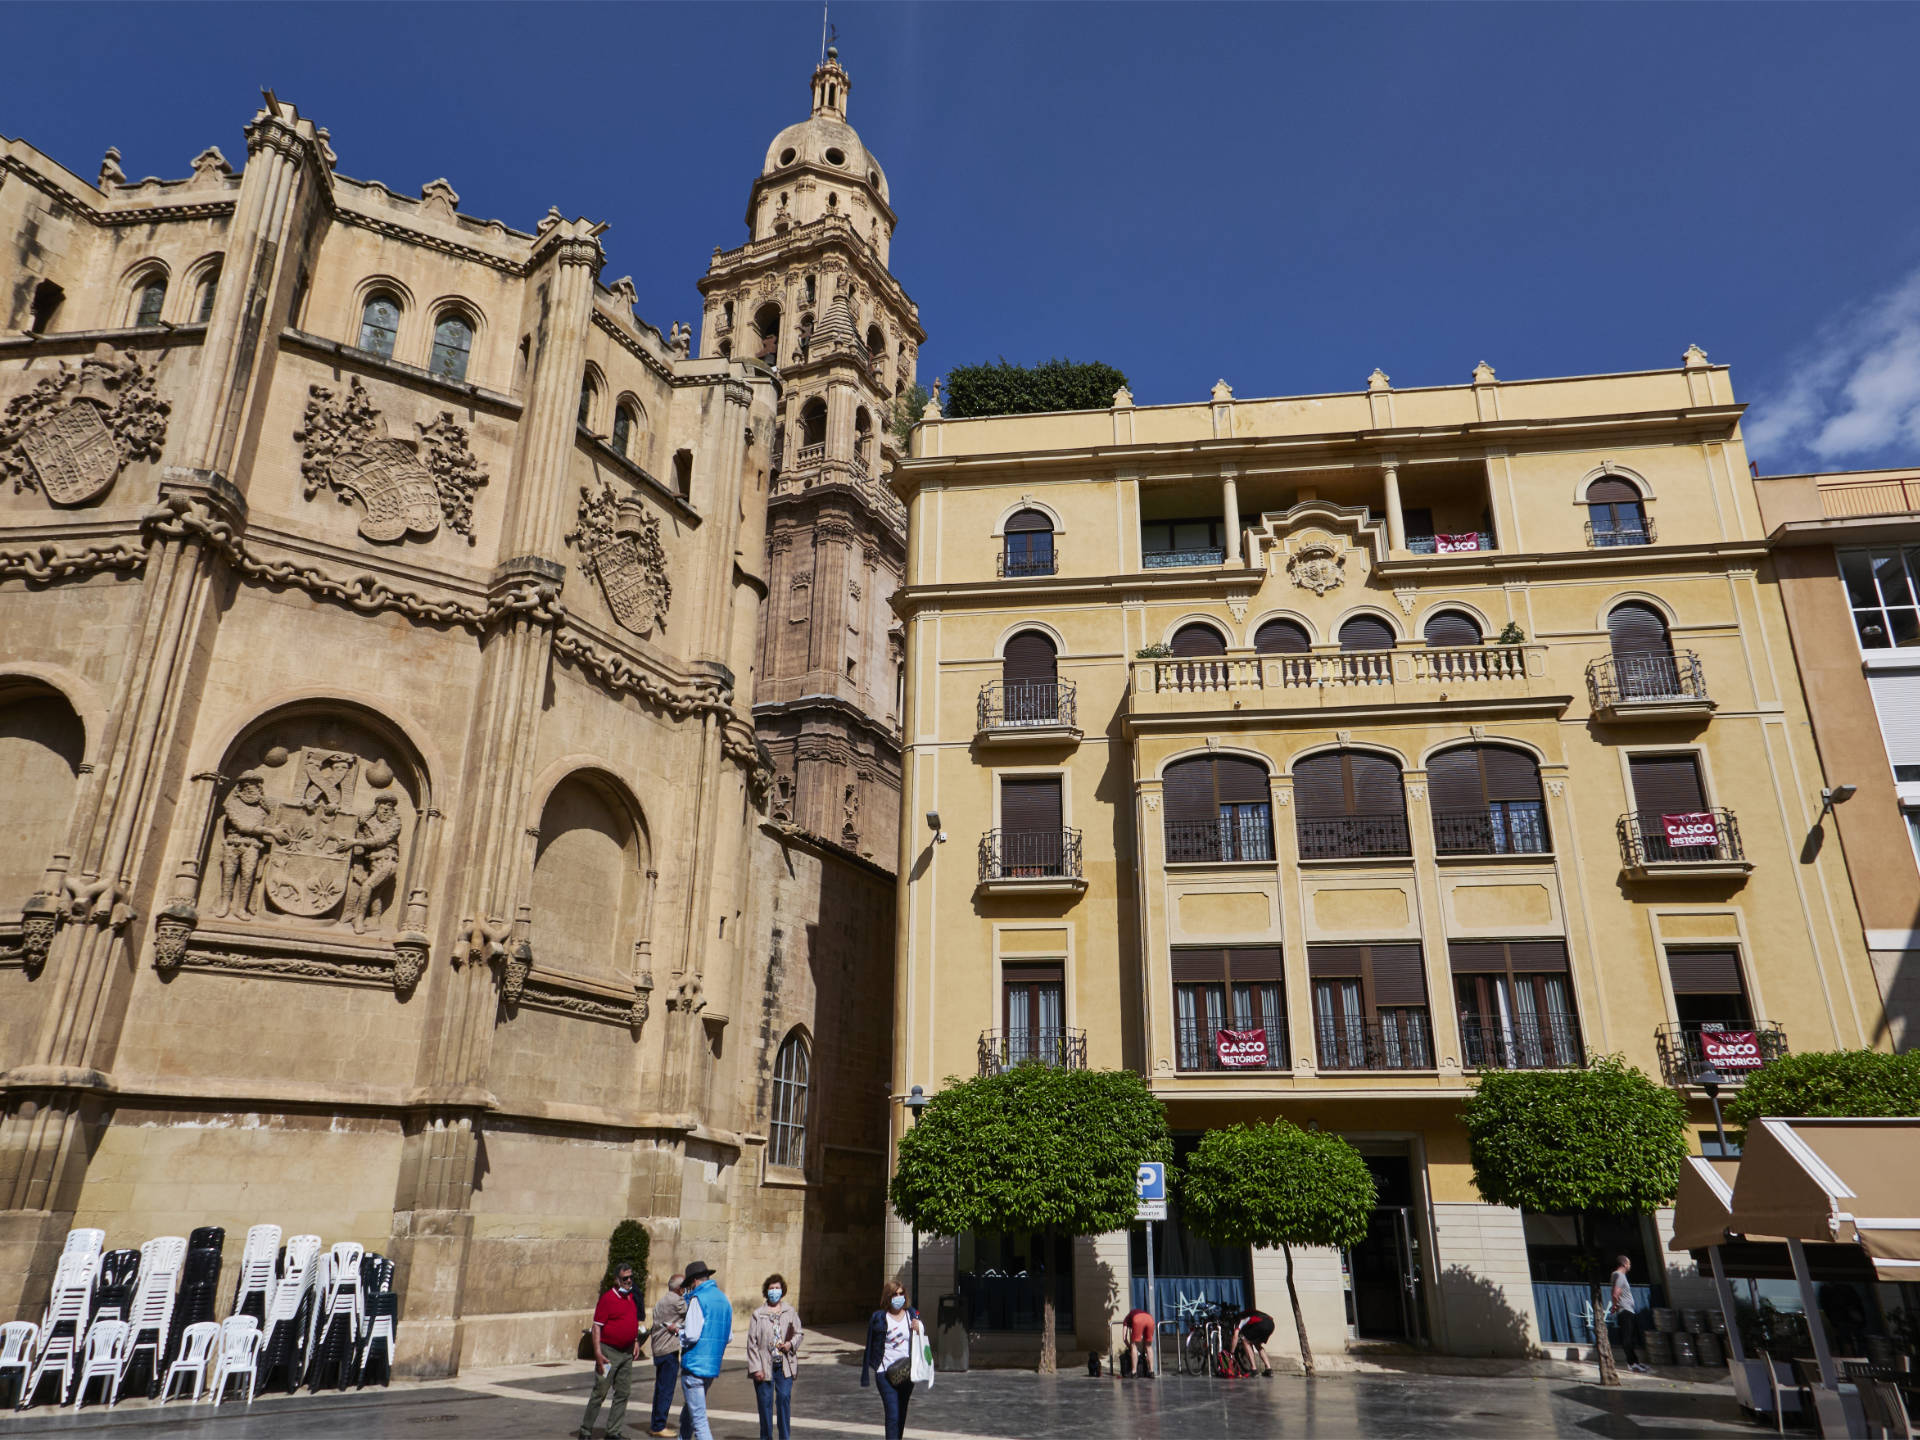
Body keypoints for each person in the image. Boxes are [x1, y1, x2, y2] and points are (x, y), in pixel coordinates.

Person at [577, 1262, 641, 1440]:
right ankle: (585, 1430)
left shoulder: (630, 1297)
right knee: (600, 1392)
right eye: (625, 1278)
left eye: (630, 1277)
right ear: (616, 1280)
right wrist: (597, 1353)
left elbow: (632, 1321)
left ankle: (613, 1431)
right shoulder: (607, 1299)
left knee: (623, 1392)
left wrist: (635, 1340)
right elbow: (597, 1327)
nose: (629, 1281)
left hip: (627, 1352)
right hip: (608, 1353)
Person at [860, 1280, 923, 1440]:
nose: (898, 1297)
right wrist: (872, 1368)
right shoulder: (880, 1318)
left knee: (901, 1414)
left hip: (906, 1372)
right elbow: (870, 1344)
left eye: (901, 1293)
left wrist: (919, 1327)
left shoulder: (911, 1314)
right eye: (895, 1294)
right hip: (885, 1373)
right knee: (892, 1414)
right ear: (888, 1297)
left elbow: (921, 1338)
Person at [746, 1273, 805, 1440]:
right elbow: (752, 1343)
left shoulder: (790, 1311)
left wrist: (790, 1344)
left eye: (777, 1288)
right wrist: (756, 1368)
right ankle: (766, 1437)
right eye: (771, 1288)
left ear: (782, 1290)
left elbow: (799, 1333)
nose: (774, 1291)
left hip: (784, 1364)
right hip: (764, 1365)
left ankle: (785, 1437)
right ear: (766, 1291)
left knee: (784, 1400)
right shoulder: (758, 1314)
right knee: (765, 1405)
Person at [677, 1260, 731, 1440]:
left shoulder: (698, 1299)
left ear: (693, 1281)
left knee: (699, 1421)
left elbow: (691, 1335)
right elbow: (728, 1336)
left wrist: (678, 1331)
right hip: (712, 1365)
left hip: (694, 1365)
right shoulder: (723, 1299)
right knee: (690, 1412)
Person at [644, 1273, 686, 1439]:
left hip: (659, 1349)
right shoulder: (677, 1301)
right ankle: (659, 1425)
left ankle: (656, 1424)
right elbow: (695, 1312)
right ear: (679, 1288)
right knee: (666, 1390)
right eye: (685, 1286)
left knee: (660, 1389)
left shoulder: (662, 1300)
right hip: (668, 1350)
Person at [1610, 1254, 1650, 1373]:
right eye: (1629, 1263)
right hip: (1626, 1310)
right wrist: (1616, 1304)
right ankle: (1631, 1363)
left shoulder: (1617, 1275)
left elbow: (1616, 1292)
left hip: (1626, 1310)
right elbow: (1615, 1293)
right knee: (1627, 1338)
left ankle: (1635, 1362)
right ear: (1624, 1264)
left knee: (1630, 1337)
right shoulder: (1620, 1275)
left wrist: (1615, 1305)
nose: (1630, 1265)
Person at [1232, 1307, 1274, 1377]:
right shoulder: (1250, 1312)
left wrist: (1232, 1352)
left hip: (1260, 1324)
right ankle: (1268, 1369)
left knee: (1245, 1341)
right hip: (1270, 1324)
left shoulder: (1239, 1319)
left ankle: (1254, 1369)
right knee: (1258, 1345)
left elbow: (1235, 1336)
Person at [1120, 1306, 1156, 1378]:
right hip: (1150, 1319)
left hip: (1138, 1319)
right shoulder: (1138, 1313)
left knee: (1134, 1346)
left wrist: (1130, 1347)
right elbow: (1142, 1338)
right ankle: (1151, 1371)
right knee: (1148, 1346)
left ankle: (1134, 1372)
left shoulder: (1126, 1319)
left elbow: (1124, 1338)